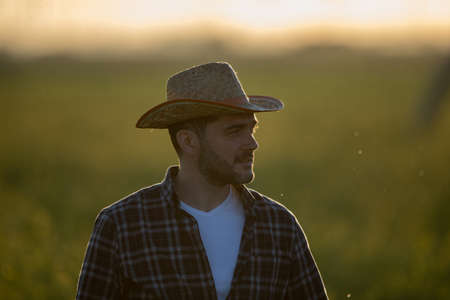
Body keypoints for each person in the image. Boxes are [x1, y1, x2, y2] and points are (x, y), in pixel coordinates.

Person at [76, 62, 328, 299]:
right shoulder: (123, 226)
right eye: (234, 131)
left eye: (251, 129)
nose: (252, 143)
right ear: (188, 141)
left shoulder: (279, 226)